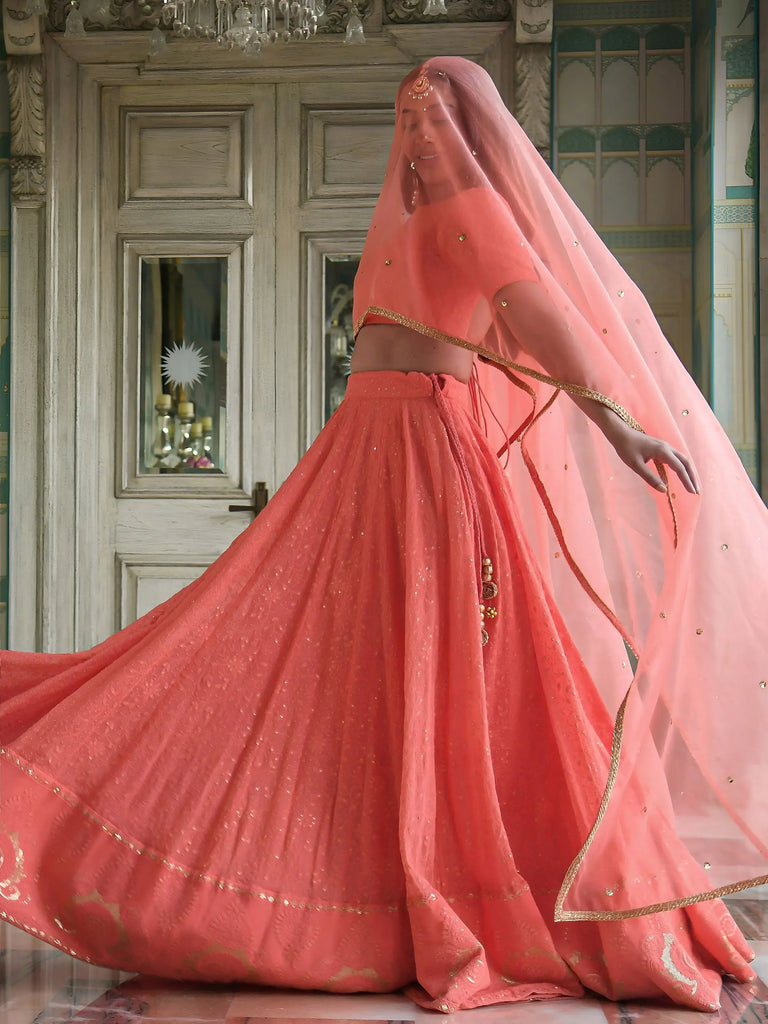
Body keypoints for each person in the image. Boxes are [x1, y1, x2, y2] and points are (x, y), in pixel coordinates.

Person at [1, 56, 767, 1013]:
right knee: (375, 673)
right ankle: (388, 898)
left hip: (374, 451)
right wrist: (612, 417)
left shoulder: (412, 228)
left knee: (354, 673)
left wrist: (614, 419)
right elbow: (529, 312)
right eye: (416, 126)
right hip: (407, 458)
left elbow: (515, 318)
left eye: (431, 123)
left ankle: (356, 898)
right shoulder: (462, 214)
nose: (420, 139)